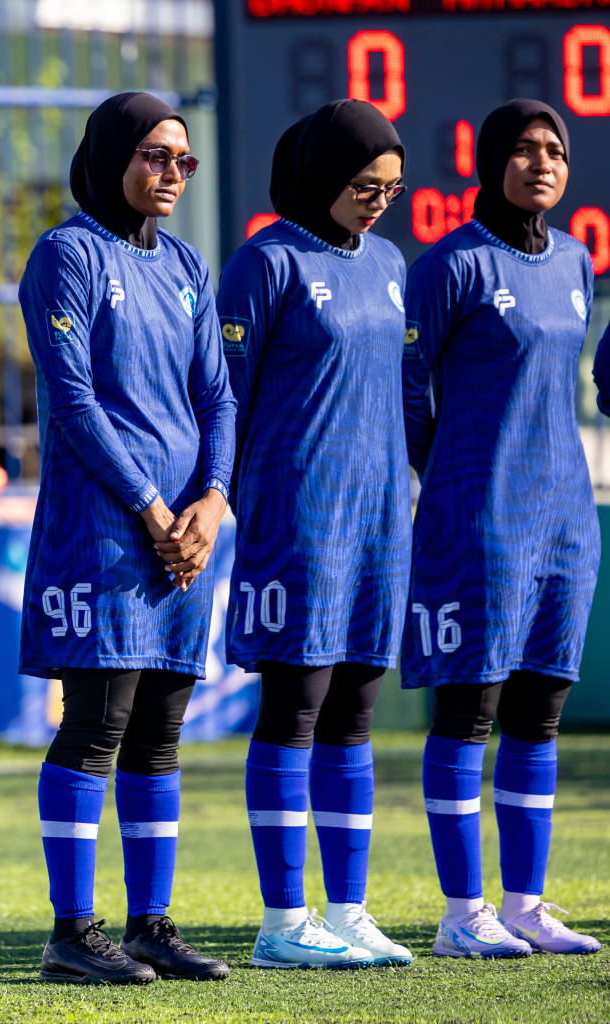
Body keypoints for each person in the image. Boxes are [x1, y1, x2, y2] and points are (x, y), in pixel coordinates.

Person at [18, 92, 234, 985]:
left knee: (159, 737)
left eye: (182, 160)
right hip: (104, 536)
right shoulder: (67, 254)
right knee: (96, 729)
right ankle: (74, 933)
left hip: (184, 535)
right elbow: (71, 402)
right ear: (110, 156)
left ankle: (151, 925)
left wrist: (212, 501)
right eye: (153, 155)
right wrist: (154, 507)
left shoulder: (185, 263)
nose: (171, 173)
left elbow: (218, 396)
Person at [219, 99, 414, 970]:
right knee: (295, 707)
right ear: (319, 176)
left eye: (391, 189)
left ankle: (348, 908)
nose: (377, 201)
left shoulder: (391, 262)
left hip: (379, 522)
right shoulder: (266, 261)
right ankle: (281, 919)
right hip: (298, 517)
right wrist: (226, 495)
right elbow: (222, 395)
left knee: (356, 714)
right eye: (362, 185)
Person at [404, 98, 601, 959]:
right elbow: (407, 382)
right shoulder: (451, 263)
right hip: (478, 522)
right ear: (490, 163)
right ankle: (461, 912)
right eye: (522, 150)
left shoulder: (576, 260)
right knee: (468, 714)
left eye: (554, 149)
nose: (541, 162)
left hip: (565, 525)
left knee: (539, 716)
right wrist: (442, 476)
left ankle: (524, 904)